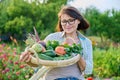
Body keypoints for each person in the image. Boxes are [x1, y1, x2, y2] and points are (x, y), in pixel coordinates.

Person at [20, 5, 93, 80]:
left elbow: (88, 70)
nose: (67, 25)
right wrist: (28, 60)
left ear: (78, 20)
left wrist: (78, 55)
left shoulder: (86, 42)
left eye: (71, 20)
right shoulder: (52, 38)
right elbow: (38, 63)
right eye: (64, 21)